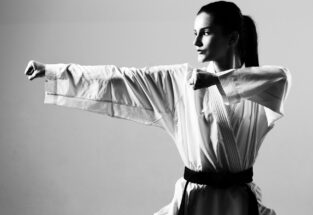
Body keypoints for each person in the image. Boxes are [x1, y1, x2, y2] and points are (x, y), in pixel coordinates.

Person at [24, 1, 291, 215]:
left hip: (239, 201)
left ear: (232, 38)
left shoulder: (260, 86)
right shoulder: (182, 82)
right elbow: (120, 78)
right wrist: (53, 71)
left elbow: (282, 76)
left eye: (206, 33)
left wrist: (217, 80)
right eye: (194, 33)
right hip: (195, 198)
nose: (196, 42)